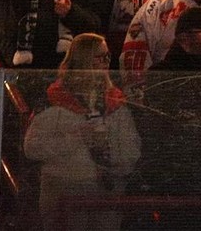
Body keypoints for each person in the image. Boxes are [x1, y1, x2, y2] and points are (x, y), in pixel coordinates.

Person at [22, 33, 140, 231]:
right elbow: (32, 147)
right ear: (83, 59)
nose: (105, 63)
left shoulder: (115, 102)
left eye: (108, 57)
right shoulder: (54, 100)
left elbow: (132, 148)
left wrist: (115, 162)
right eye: (100, 57)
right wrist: (74, 138)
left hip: (107, 192)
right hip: (66, 190)